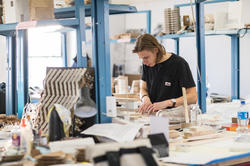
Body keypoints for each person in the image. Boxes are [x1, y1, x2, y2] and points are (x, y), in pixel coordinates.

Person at [133, 34, 197, 114]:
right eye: (141, 58)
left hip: (173, 116)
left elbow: (193, 97)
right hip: (154, 115)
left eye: (146, 57)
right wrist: (145, 98)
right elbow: (143, 88)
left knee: (160, 124)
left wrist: (168, 103)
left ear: (155, 50)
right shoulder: (147, 64)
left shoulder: (178, 64)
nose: (144, 62)